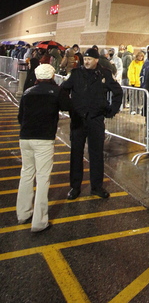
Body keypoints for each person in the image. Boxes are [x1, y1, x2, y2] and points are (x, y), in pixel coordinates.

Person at [61, 48, 123, 200]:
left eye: (89, 59)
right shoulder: (76, 74)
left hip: (95, 119)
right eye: (85, 59)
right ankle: (75, 187)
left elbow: (118, 92)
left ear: (96, 60)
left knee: (96, 154)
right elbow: (63, 90)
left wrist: (111, 110)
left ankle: (96, 187)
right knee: (76, 154)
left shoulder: (104, 73)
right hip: (78, 120)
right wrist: (70, 107)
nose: (86, 61)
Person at [16, 64, 70, 232]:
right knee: (42, 178)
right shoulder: (56, 92)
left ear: (37, 77)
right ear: (52, 76)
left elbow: (20, 117)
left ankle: (23, 213)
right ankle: (39, 222)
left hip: (25, 138)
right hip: (44, 139)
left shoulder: (27, 92)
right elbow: (69, 106)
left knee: (26, 174)